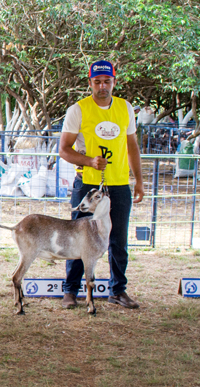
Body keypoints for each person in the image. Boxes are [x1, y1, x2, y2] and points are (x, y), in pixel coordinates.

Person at [58, 60, 144, 310]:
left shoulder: (125, 108)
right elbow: (63, 150)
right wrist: (88, 161)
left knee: (118, 239)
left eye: (107, 81)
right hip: (88, 184)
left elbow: (132, 147)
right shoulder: (78, 110)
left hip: (118, 185)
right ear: (90, 83)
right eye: (97, 82)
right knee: (77, 237)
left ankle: (118, 290)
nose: (102, 86)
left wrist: (138, 180)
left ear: (114, 82)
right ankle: (70, 291)